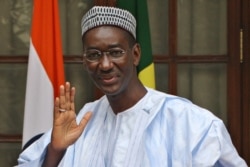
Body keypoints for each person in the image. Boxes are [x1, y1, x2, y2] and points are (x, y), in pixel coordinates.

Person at [17, 6, 247, 167]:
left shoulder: (192, 124)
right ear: (84, 61)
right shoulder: (81, 121)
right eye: (94, 54)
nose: (105, 65)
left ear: (135, 54)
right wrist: (55, 152)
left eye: (116, 52)